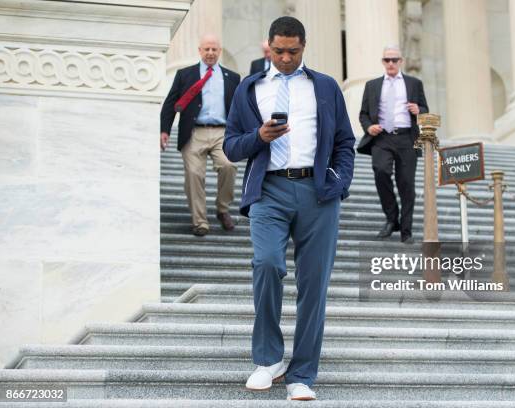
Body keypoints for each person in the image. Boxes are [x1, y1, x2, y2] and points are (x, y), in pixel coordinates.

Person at [224, 16, 355, 401]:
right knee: (266, 263)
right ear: (269, 45)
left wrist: (338, 180)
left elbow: (345, 141)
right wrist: (258, 137)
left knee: (314, 284)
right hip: (269, 189)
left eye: (292, 51)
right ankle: (267, 360)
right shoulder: (250, 88)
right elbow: (231, 146)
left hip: (318, 193)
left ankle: (302, 374)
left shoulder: (326, 87)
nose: (285, 58)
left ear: (303, 47)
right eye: (278, 50)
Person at [160, 34, 240, 236]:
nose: (210, 53)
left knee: (228, 166)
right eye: (207, 49)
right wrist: (165, 130)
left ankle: (222, 209)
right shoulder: (185, 74)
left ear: (219, 51)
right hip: (194, 132)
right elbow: (170, 104)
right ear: (200, 51)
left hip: (222, 133)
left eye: (214, 49)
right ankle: (200, 221)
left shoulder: (232, 77)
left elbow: (240, 108)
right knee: (194, 174)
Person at [357, 45, 429, 243]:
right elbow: (363, 114)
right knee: (380, 171)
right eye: (387, 60)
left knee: (406, 184)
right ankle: (391, 218)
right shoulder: (372, 85)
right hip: (382, 137)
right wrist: (369, 127)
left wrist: (418, 110)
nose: (390, 63)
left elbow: (424, 109)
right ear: (382, 62)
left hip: (407, 138)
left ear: (401, 62)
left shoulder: (414, 83)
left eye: (394, 60)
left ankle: (406, 231)